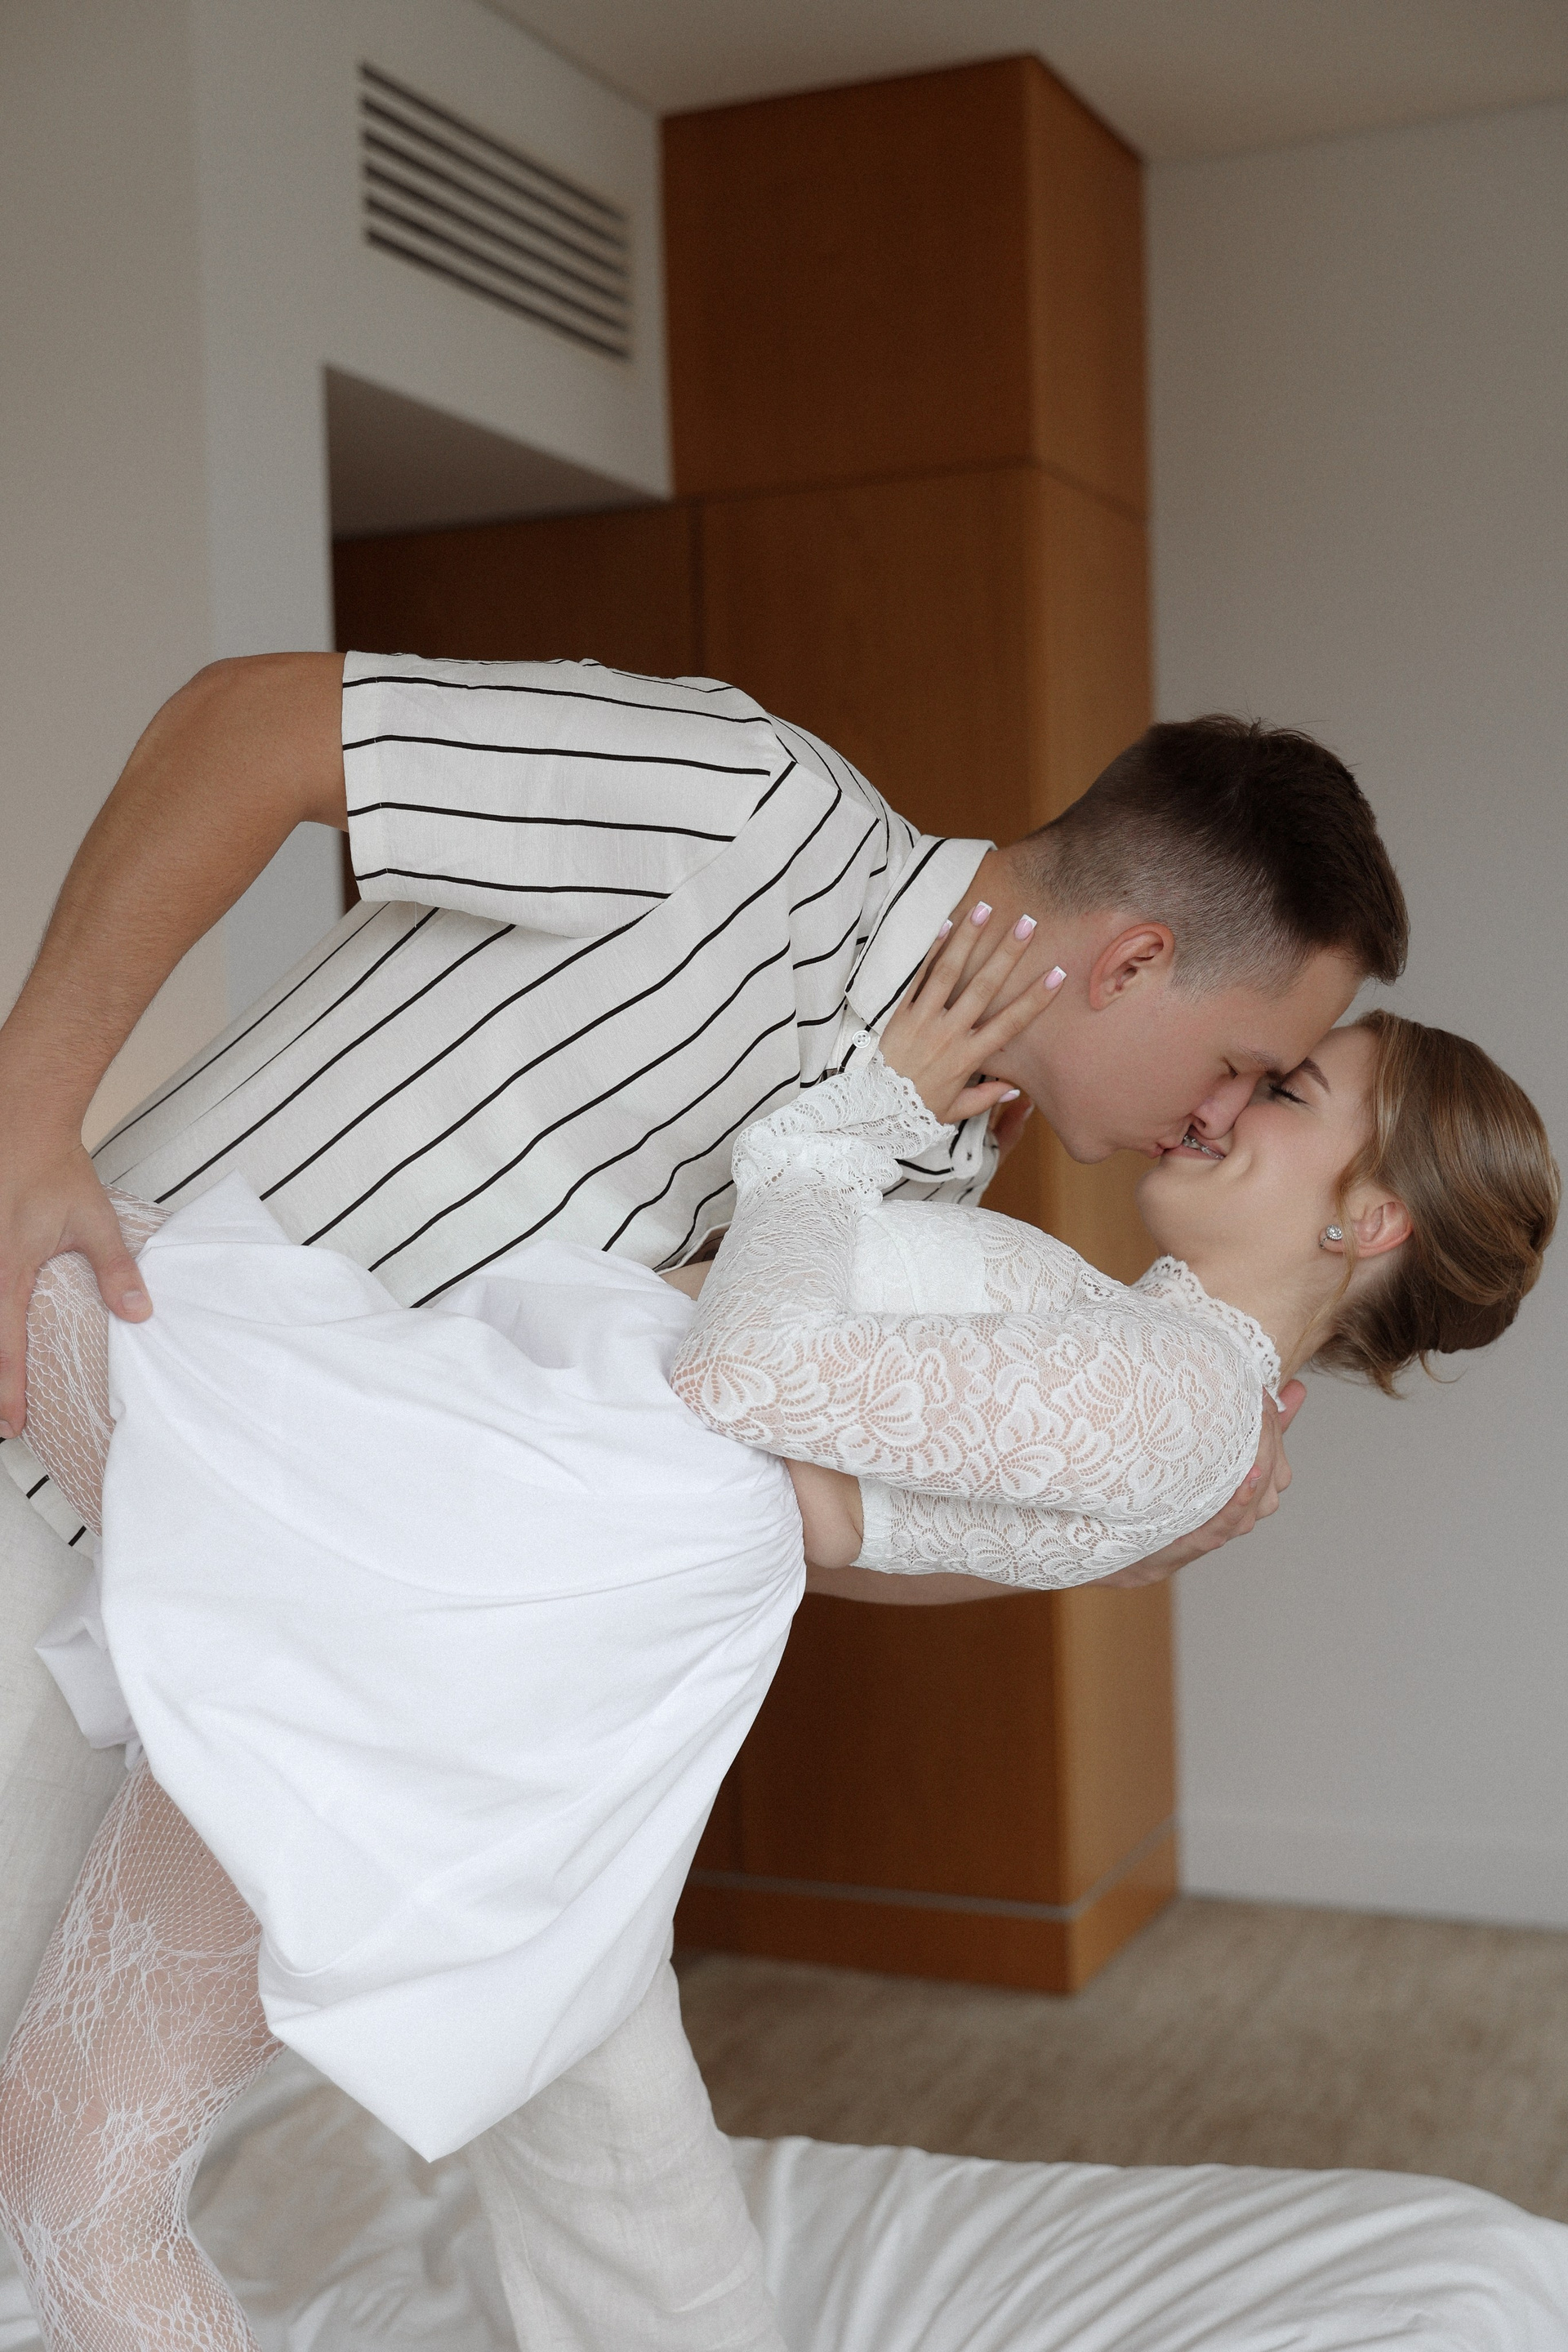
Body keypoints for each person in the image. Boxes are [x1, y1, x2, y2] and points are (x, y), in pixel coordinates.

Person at [0, 653, 1408, 2344]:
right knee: (87, 2172)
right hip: (66, 1504)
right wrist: (23, 1129)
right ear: (1134, 962)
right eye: (1248, 1061)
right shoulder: (746, 809)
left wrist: (1096, 1536)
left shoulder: (943, 1150)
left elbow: (772, 1508)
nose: (1220, 1110)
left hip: (419, 1650)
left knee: (135, 2160)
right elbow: (250, 726)